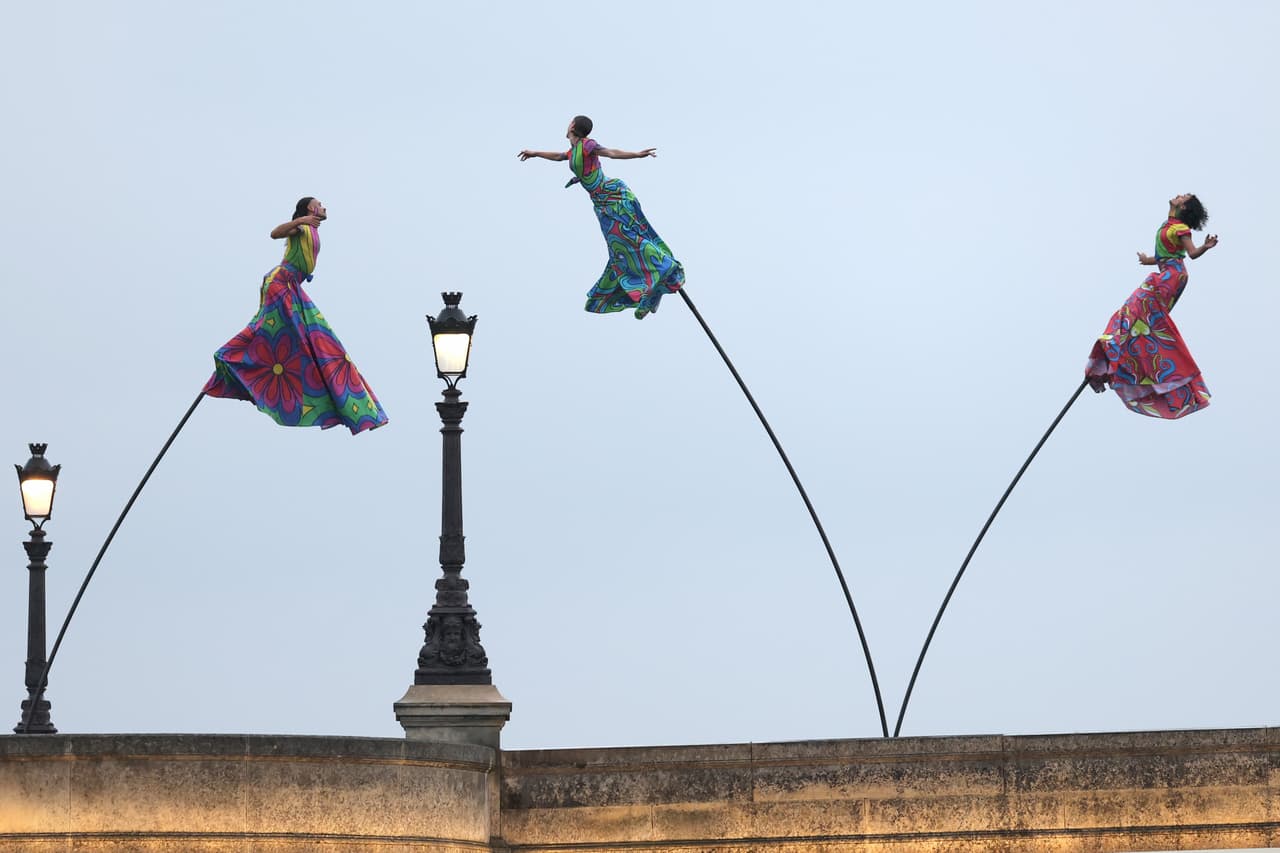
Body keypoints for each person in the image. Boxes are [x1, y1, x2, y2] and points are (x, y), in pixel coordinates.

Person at [203, 197, 388, 434]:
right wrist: (301, 221)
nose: (324, 207)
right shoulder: (302, 226)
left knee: (306, 340)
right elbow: (275, 233)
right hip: (281, 283)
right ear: (311, 208)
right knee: (291, 338)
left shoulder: (311, 229)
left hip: (292, 286)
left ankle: (241, 361)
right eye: (320, 204)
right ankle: (231, 358)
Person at [520, 115, 685, 319]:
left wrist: (637, 154)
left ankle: (664, 267)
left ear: (573, 126)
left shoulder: (587, 144)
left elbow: (610, 153)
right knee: (620, 251)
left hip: (613, 197)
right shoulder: (574, 150)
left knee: (631, 240)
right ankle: (649, 293)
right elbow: (559, 156)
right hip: (602, 204)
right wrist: (535, 153)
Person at [1085, 194, 1218, 418]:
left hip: (1172, 276)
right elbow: (1165, 255)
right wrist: (1148, 260)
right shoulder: (1168, 225)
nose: (1178, 195)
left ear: (1184, 206)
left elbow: (1191, 254)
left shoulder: (1181, 229)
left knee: (1140, 311)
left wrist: (1205, 246)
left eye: (1183, 197)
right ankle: (1124, 345)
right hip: (1164, 272)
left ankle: (1130, 345)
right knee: (1131, 310)